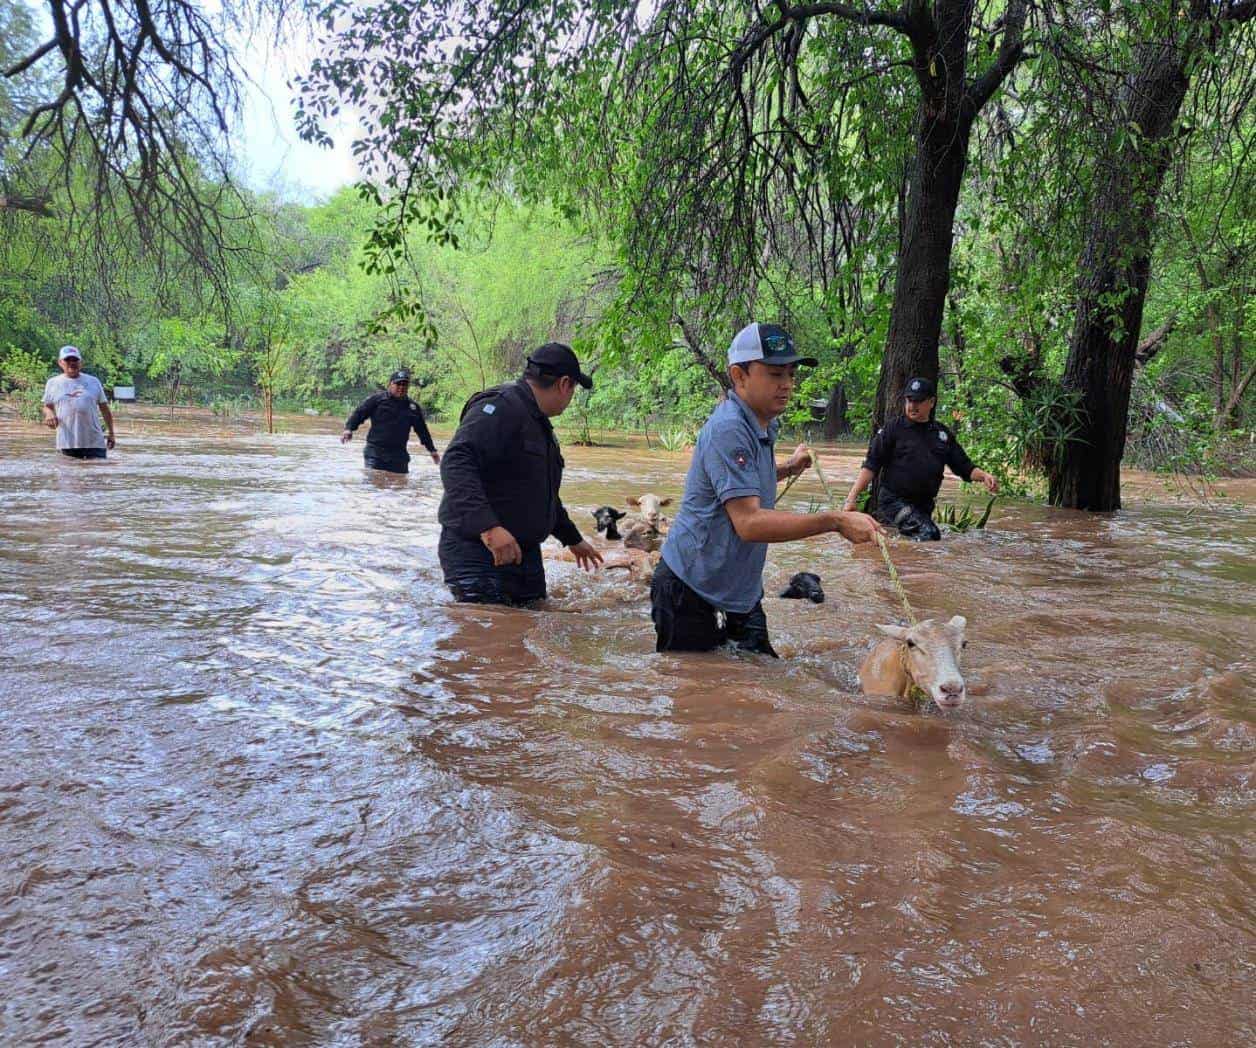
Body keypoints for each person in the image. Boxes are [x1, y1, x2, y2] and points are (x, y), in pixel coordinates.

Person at [651, 322, 883, 657]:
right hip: (689, 587)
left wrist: (788, 468)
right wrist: (835, 521)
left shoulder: (760, 423)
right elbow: (749, 524)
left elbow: (738, 482)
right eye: (775, 374)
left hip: (736, 591)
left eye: (790, 374)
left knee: (760, 684)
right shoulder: (729, 428)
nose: (787, 385)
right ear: (739, 376)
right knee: (697, 695)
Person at [437, 342, 603, 605]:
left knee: (530, 631)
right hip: (478, 552)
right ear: (564, 384)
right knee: (487, 639)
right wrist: (488, 527)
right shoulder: (498, 408)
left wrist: (572, 538)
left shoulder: (537, 423)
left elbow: (540, 493)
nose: (570, 399)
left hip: (523, 555)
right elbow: (456, 462)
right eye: (573, 390)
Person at [841, 376, 999, 541]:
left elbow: (965, 467)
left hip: (923, 506)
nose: (912, 405)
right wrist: (851, 499)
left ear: (931, 402)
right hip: (894, 502)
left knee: (913, 544)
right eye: (909, 400)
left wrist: (985, 476)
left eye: (918, 401)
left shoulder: (941, 435)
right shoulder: (893, 429)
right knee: (929, 534)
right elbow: (871, 465)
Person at [340, 369, 440, 474]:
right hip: (375, 454)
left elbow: (422, 431)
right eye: (398, 384)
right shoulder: (377, 400)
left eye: (404, 385)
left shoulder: (412, 408)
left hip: (399, 456)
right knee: (373, 484)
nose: (401, 387)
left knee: (399, 486)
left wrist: (432, 450)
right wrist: (349, 429)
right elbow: (359, 414)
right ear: (390, 384)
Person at [41, 345, 115, 460]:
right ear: (60, 362)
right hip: (67, 443)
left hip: (95, 443)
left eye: (75, 360)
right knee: (68, 476)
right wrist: (49, 413)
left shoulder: (93, 381)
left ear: (81, 363)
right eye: (67, 360)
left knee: (97, 474)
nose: (72, 363)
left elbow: (105, 409)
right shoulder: (53, 383)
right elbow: (47, 406)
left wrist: (111, 434)